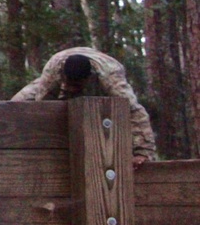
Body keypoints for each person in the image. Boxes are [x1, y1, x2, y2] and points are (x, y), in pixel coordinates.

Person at [11, 48, 158, 168]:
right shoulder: (53, 69)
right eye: (70, 84)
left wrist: (142, 152)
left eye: (76, 85)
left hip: (102, 69)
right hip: (60, 65)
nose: (72, 88)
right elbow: (40, 105)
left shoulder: (111, 75)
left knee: (125, 108)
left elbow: (134, 111)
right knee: (16, 104)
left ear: (87, 79)